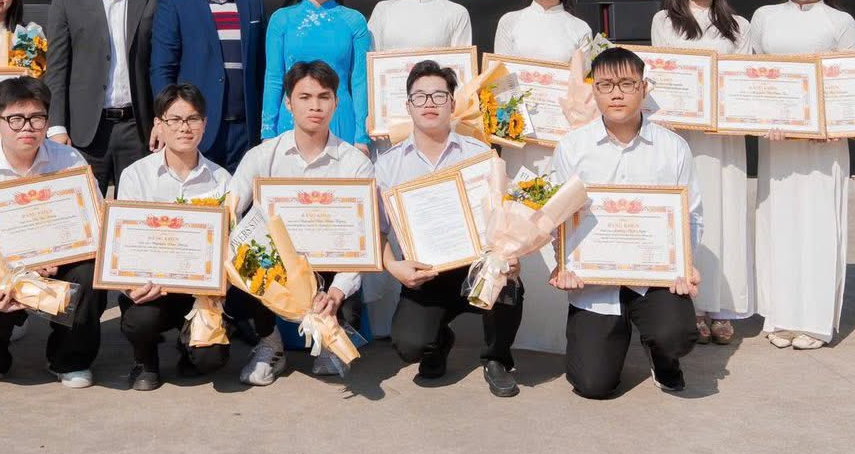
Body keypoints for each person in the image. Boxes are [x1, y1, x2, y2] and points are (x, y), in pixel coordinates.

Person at [551, 45, 703, 398]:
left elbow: (691, 214)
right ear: (593, 91)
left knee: (676, 336)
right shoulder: (572, 147)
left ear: (643, 88)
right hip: (594, 281)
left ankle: (662, 355)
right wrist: (563, 263)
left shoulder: (673, 147)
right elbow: (556, 216)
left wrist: (684, 263)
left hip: (655, 278)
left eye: (626, 84)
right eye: (605, 85)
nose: (616, 94)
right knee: (593, 385)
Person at [375, 60, 523, 398]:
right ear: (408, 106)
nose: (429, 103)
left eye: (439, 95)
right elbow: (378, 230)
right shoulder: (388, 165)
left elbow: (504, 216)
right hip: (425, 274)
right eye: (420, 96)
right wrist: (394, 266)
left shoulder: (480, 155)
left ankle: (497, 358)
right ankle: (438, 344)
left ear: (453, 103)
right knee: (409, 344)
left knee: (507, 281)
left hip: (478, 267)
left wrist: (510, 254)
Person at [748, 0, 855, 351]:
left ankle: (814, 321)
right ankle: (780, 315)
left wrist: (829, 124)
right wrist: (761, 117)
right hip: (778, 140)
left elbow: (851, 80)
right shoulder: (764, 17)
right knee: (779, 221)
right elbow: (753, 73)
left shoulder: (840, 22)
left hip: (822, 142)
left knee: (818, 224)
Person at [0, 77, 106, 385]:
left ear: (47, 122)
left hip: (59, 264)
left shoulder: (69, 160)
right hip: (1, 273)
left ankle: (68, 359)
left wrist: (57, 257)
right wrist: (23, 269)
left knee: (89, 275)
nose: (27, 127)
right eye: (16, 119)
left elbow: (95, 222)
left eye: (37, 118)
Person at [232, 60, 374, 385]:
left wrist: (337, 291)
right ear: (288, 103)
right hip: (277, 267)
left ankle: (330, 333)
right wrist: (246, 253)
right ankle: (270, 344)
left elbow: (363, 238)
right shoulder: (262, 156)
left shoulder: (355, 164)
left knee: (347, 305)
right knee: (244, 267)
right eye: (305, 97)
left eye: (324, 97)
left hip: (329, 266)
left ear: (336, 103)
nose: (315, 106)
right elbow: (231, 208)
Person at [650, 0, 753, 345]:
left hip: (724, 138)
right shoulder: (665, 21)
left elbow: (744, 80)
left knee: (725, 212)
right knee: (688, 213)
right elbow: (661, 76)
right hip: (682, 136)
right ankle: (690, 304)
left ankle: (722, 307)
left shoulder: (739, 26)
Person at [114, 83, 239, 391]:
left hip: (201, 293)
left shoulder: (222, 180)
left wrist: (219, 284)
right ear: (159, 124)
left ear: (205, 124)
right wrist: (130, 285)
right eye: (175, 119)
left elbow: (231, 242)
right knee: (140, 320)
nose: (185, 128)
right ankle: (145, 362)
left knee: (210, 359)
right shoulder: (136, 176)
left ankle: (189, 349)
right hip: (153, 288)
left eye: (193, 119)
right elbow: (123, 242)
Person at [43, 0, 160, 191]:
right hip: (84, 131)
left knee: (137, 207)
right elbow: (56, 69)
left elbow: (161, 67)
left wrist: (162, 121)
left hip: (138, 129)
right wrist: (56, 127)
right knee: (83, 207)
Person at [149, 0, 266, 170]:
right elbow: (162, 68)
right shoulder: (175, 2)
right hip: (195, 127)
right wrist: (166, 119)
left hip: (245, 129)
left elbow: (261, 67)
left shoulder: (252, 2)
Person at [259, 0, 371, 148]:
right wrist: (268, 132)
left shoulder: (354, 20)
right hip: (291, 121)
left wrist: (361, 137)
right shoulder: (281, 20)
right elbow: (273, 78)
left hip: (340, 120)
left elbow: (360, 81)